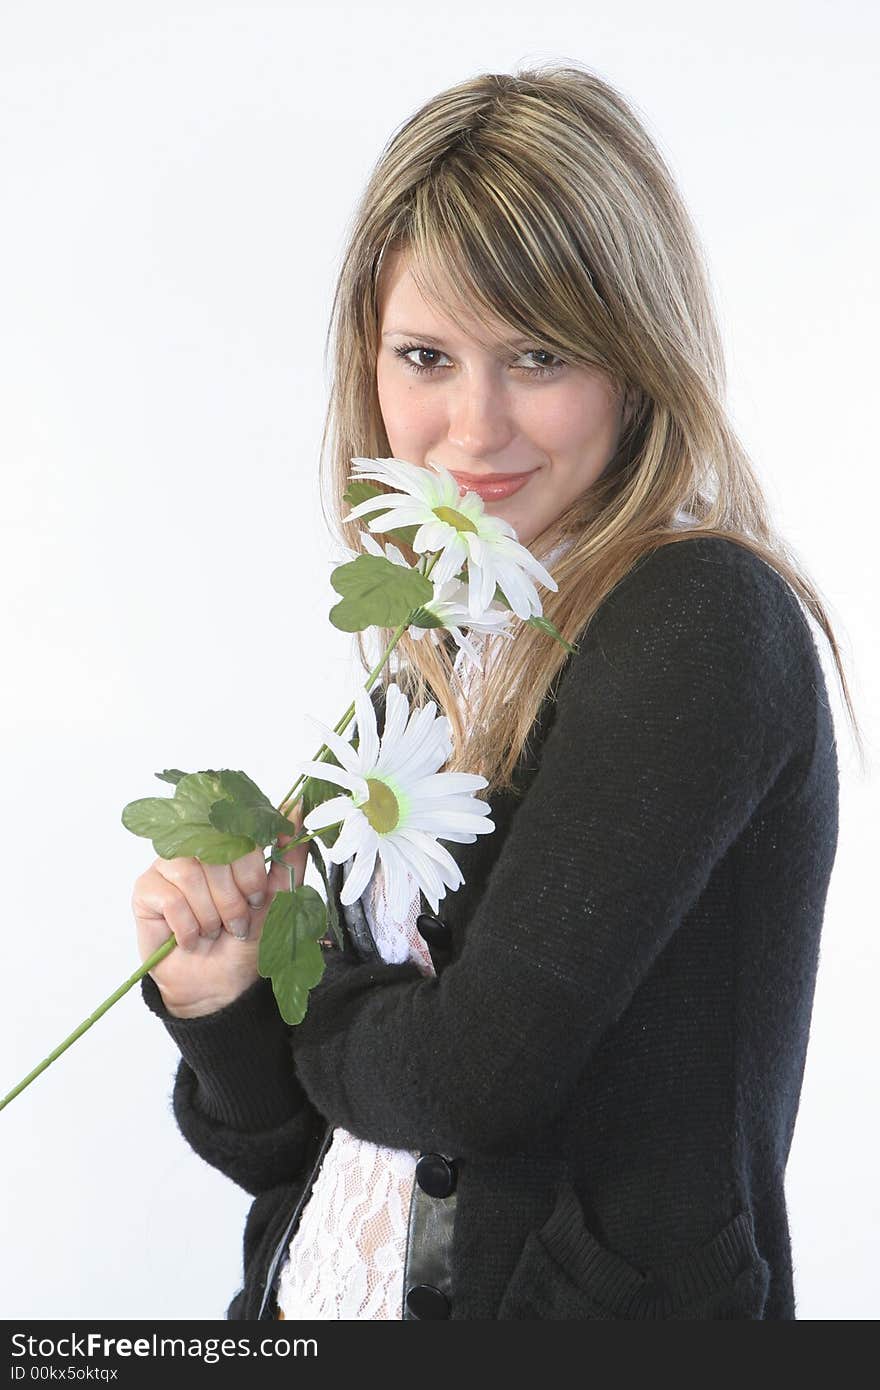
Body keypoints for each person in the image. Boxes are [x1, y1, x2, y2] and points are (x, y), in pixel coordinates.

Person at [132, 63, 857, 1321]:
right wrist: (223, 995)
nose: (472, 429)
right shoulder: (436, 650)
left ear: (636, 359)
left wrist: (327, 1014)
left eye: (536, 354)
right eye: (425, 355)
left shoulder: (699, 616)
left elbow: (475, 1076)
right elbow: (302, 1150)